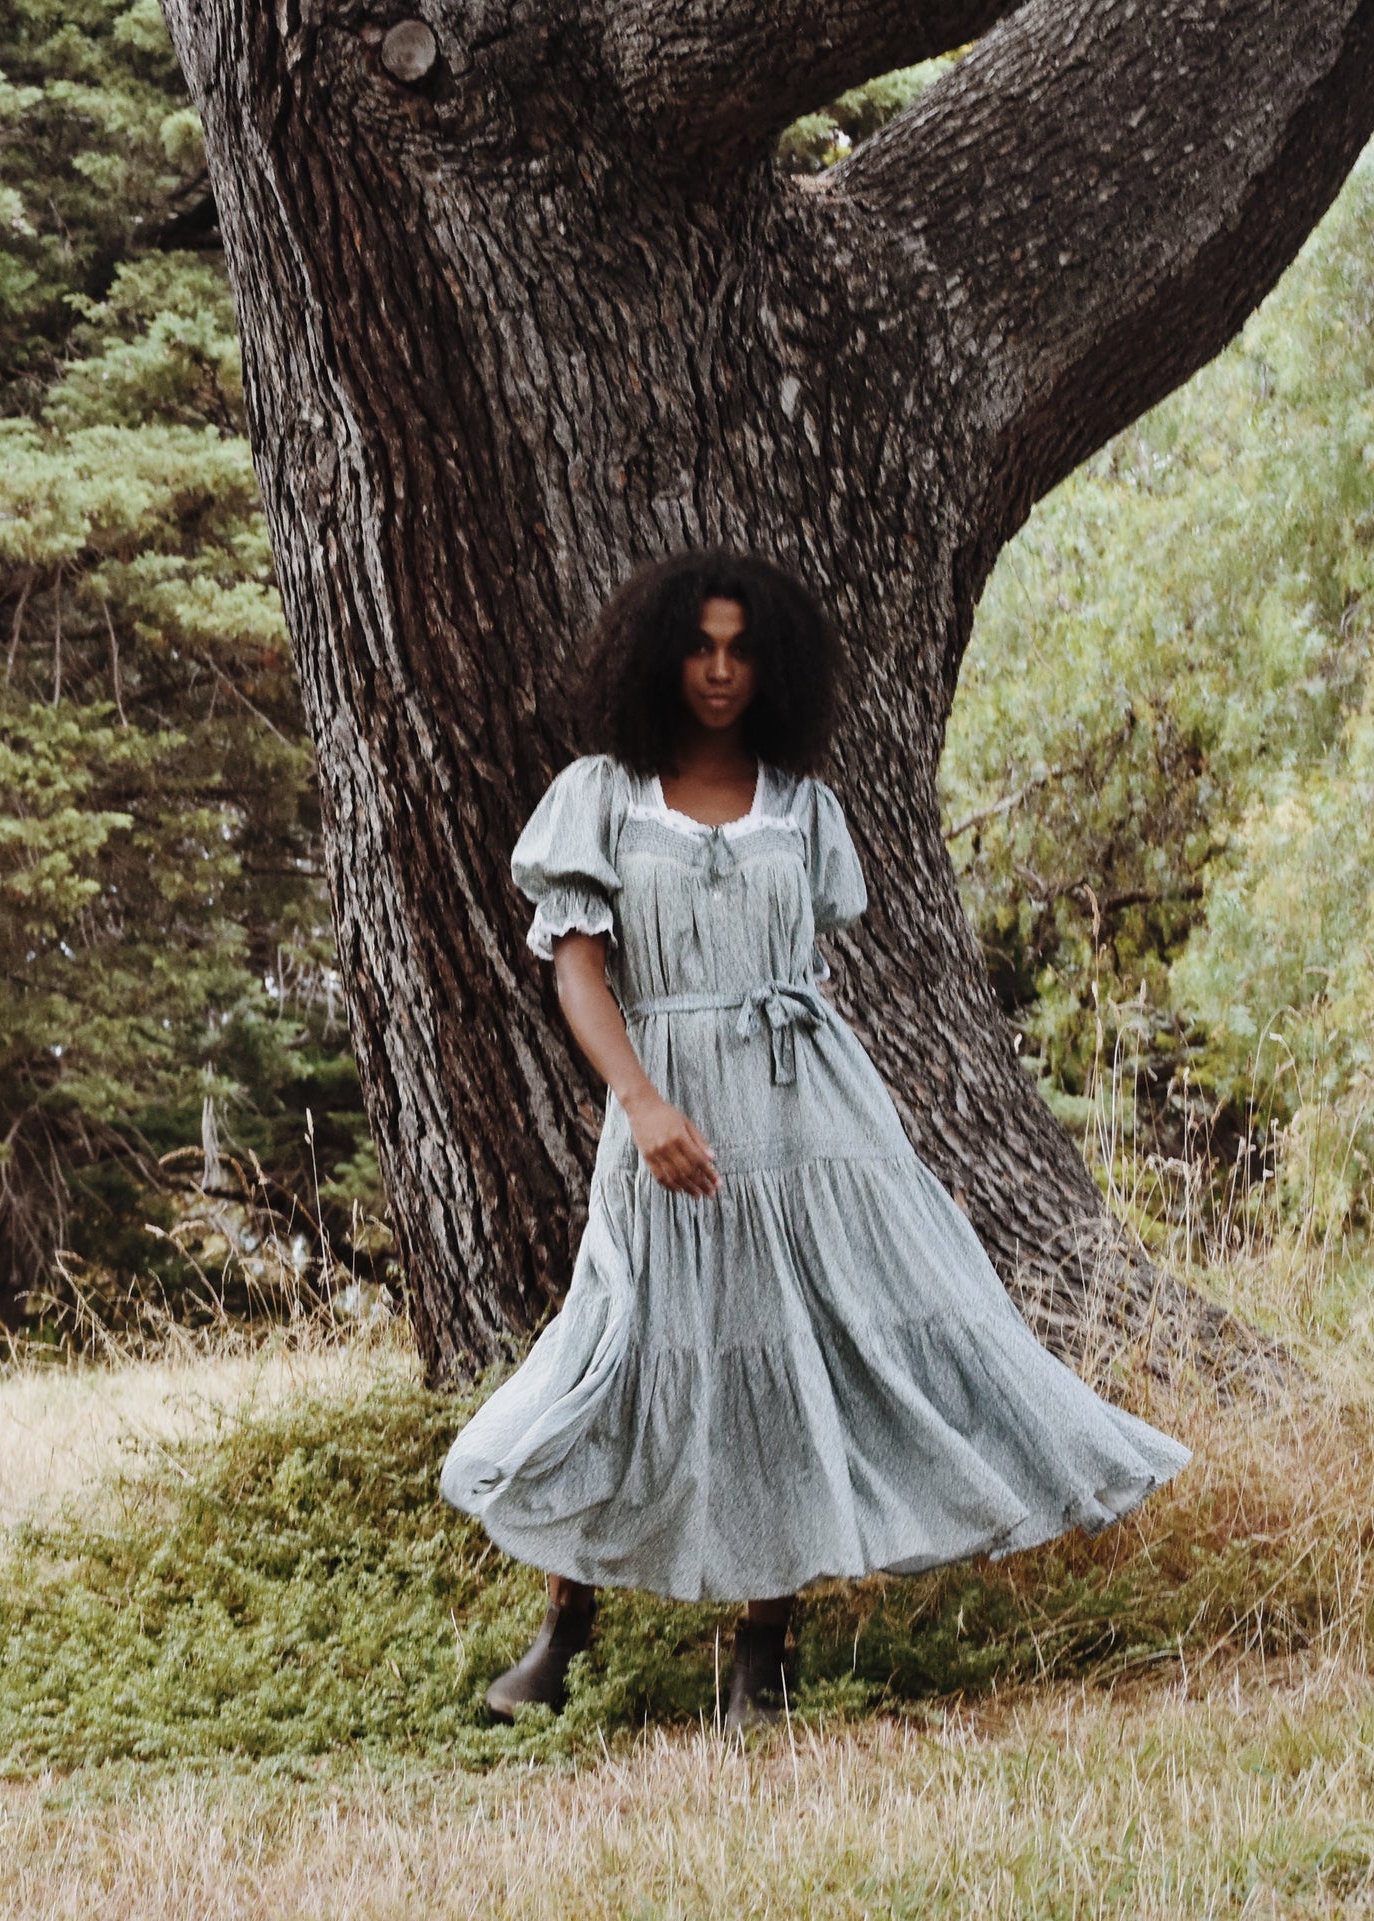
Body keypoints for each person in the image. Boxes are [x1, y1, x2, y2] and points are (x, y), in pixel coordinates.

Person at [440, 547, 1190, 1731]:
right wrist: (639, 1102)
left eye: (742, 648)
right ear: (657, 655)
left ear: (773, 661)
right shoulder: (600, 792)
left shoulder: (804, 807)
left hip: (810, 1118)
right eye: (699, 645)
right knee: (629, 1349)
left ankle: (763, 1648)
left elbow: (807, 972)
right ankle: (562, 1629)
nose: (721, 671)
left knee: (798, 1357)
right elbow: (578, 968)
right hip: (668, 1110)